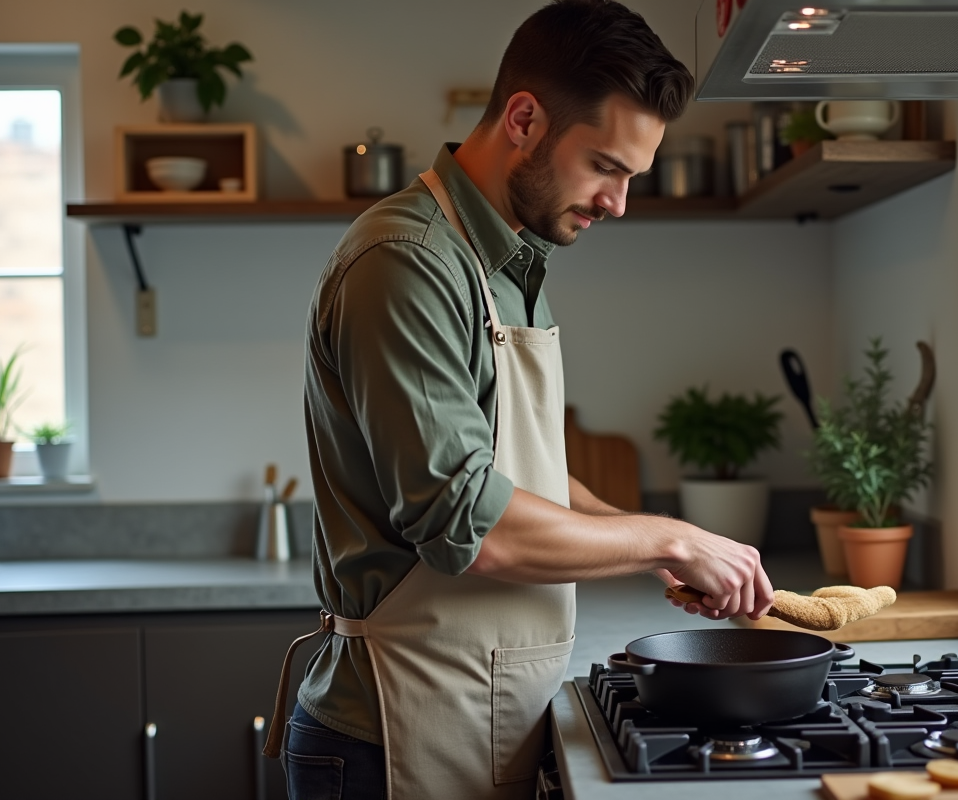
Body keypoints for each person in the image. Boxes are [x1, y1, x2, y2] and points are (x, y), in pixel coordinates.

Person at [264, 1, 776, 798]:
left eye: (631, 177)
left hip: (476, 706)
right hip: (387, 737)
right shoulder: (407, 262)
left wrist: (664, 546)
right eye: (606, 166)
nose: (618, 203)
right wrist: (667, 541)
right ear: (525, 119)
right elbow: (464, 519)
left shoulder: (505, 260)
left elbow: (517, 480)